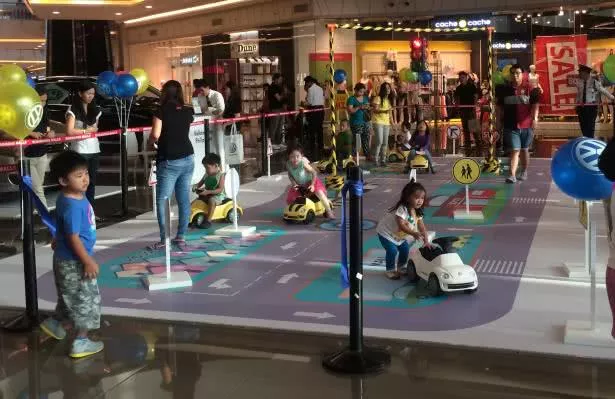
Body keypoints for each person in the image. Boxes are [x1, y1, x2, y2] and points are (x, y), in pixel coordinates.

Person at [39, 150, 104, 359]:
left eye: (86, 173)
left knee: (69, 296)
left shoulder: (67, 198)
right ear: (62, 180)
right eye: (78, 176)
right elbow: (74, 236)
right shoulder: (73, 205)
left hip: (65, 259)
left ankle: (56, 324)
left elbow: (63, 225)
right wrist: (87, 261)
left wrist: (58, 237)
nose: (85, 179)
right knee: (86, 300)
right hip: (75, 262)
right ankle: (81, 341)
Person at [148, 80, 195, 249]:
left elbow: (155, 134)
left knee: (163, 200)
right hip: (188, 157)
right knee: (183, 199)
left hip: (169, 159)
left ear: (164, 93)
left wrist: (150, 141)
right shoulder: (187, 110)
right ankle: (181, 236)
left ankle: (165, 239)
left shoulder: (160, 111)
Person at [495, 64, 541, 184]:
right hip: (510, 125)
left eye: (518, 73)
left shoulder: (531, 89)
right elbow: (499, 108)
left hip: (527, 125)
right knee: (515, 150)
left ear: (523, 74)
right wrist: (498, 122)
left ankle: (524, 170)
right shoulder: (504, 90)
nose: (515, 75)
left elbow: (535, 106)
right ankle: (512, 175)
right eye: (513, 73)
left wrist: (535, 119)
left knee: (524, 149)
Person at [376, 181, 431, 280]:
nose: (420, 201)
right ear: (407, 197)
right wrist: (414, 233)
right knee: (392, 250)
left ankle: (401, 267)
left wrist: (426, 241)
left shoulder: (418, 212)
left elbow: (422, 227)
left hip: (399, 236)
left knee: (405, 249)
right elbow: (401, 225)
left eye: (422, 198)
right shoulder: (402, 209)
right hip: (386, 233)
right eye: (416, 197)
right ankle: (390, 270)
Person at [65, 80, 102, 217]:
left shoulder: (95, 109)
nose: (91, 96)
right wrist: (86, 131)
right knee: (79, 184)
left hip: (94, 149)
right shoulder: (73, 109)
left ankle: (90, 213)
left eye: (93, 93)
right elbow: (69, 131)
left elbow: (96, 129)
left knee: (91, 183)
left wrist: (89, 131)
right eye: (88, 93)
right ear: (80, 93)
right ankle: (79, 213)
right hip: (80, 149)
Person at [24, 86, 54, 209]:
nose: (42, 103)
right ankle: (46, 218)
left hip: (42, 153)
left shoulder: (45, 112)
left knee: (37, 186)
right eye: (40, 101)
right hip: (27, 156)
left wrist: (50, 132)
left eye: (45, 101)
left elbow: (47, 127)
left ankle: (30, 213)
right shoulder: (25, 112)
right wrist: (31, 133)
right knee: (38, 189)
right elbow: (16, 130)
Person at [286, 145, 335, 219]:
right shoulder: (288, 164)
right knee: (290, 198)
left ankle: (329, 211)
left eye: (297, 156)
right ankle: (295, 212)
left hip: (311, 181)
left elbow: (314, 172)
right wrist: (294, 184)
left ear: (301, 156)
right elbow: (290, 175)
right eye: (292, 157)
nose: (295, 159)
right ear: (289, 157)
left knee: (320, 194)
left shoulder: (303, 163)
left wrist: (312, 185)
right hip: (299, 184)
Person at [576, 64, 614, 138]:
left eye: (580, 72)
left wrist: (612, 98)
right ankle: (585, 139)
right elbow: (578, 94)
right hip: (581, 108)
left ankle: (590, 140)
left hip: (591, 107)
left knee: (590, 126)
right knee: (583, 125)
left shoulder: (594, 82)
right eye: (579, 72)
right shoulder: (579, 82)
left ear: (586, 73)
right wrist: (576, 104)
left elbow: (603, 90)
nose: (579, 74)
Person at [194, 79, 226, 167]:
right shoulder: (199, 96)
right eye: (199, 90)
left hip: (217, 125)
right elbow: (198, 110)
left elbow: (220, 110)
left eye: (202, 90)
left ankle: (221, 169)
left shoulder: (217, 95)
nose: (201, 92)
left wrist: (209, 110)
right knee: (210, 147)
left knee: (219, 147)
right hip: (206, 126)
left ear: (207, 87)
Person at [194, 153, 226, 229]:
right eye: (205, 168)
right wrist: (196, 187)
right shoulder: (206, 174)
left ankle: (208, 220)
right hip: (207, 193)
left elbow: (220, 189)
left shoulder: (220, 175)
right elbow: (199, 183)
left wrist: (208, 192)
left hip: (217, 196)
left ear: (216, 166)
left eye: (207, 168)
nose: (206, 170)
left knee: (212, 201)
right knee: (197, 200)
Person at [454, 71, 480, 154]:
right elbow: (457, 98)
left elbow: (475, 96)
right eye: (460, 78)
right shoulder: (458, 88)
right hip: (463, 110)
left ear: (466, 78)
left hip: (471, 110)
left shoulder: (472, 86)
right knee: (465, 129)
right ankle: (468, 146)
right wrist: (458, 107)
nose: (461, 79)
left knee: (474, 128)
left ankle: (478, 145)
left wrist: (475, 105)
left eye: (463, 77)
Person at [372, 82, 395, 166]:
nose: (388, 90)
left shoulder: (388, 100)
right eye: (386, 88)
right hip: (378, 122)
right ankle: (376, 160)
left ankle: (383, 160)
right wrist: (384, 111)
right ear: (383, 89)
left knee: (385, 142)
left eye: (389, 88)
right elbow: (375, 110)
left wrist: (393, 125)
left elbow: (390, 115)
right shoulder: (378, 98)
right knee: (379, 142)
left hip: (386, 123)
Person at [346, 83, 371, 161]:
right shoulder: (351, 99)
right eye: (360, 91)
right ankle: (354, 156)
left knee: (366, 138)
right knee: (357, 140)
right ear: (355, 90)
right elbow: (350, 111)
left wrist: (367, 108)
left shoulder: (365, 98)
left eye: (363, 92)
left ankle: (367, 155)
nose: (361, 93)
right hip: (356, 122)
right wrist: (359, 107)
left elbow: (368, 108)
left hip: (365, 121)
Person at [303, 76, 325, 160]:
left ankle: (311, 147)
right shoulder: (320, 88)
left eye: (306, 83)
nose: (306, 84)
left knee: (311, 130)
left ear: (309, 82)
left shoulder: (311, 89)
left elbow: (309, 102)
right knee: (320, 129)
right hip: (321, 110)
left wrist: (303, 103)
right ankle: (320, 146)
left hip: (313, 111)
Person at [268, 73, 287, 144]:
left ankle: (278, 142)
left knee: (280, 126)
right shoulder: (272, 87)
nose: (281, 81)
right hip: (275, 109)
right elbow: (278, 98)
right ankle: (271, 143)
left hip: (281, 108)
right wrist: (284, 93)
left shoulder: (280, 87)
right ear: (275, 79)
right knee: (274, 126)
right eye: (280, 79)